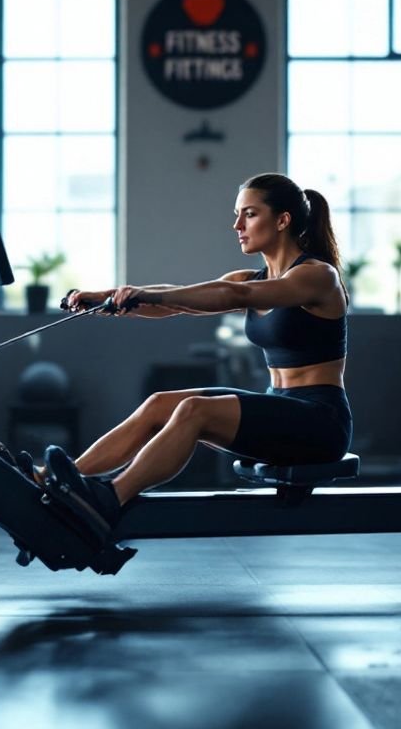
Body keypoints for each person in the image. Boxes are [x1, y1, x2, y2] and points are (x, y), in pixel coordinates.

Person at [34, 172, 353, 533]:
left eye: (249, 214)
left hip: (319, 422)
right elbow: (180, 301)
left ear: (283, 220)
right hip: (281, 408)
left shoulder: (317, 276)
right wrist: (109, 298)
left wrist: (148, 294)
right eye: (237, 214)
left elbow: (235, 297)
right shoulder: (250, 277)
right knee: (159, 403)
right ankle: (51, 480)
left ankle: (110, 498)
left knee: (194, 410)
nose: (237, 225)